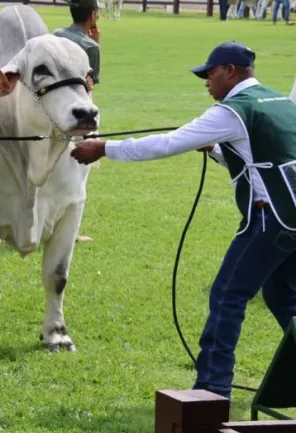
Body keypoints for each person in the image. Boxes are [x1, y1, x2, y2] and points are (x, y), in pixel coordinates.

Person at [70, 41, 296, 399]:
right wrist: (218, 149)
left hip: (270, 220)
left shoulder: (232, 110)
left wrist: (105, 148)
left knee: (227, 296)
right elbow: (264, 154)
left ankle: (213, 387)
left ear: (230, 72)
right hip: (292, 219)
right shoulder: (279, 101)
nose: (206, 83)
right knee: (282, 296)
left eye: (210, 74)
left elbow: (168, 143)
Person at [54, 0, 101, 87]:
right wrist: (96, 43)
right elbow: (90, 86)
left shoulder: (56, 34)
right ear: (93, 14)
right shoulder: (90, 47)